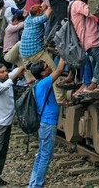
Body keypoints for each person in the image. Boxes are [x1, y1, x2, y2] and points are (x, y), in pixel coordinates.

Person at [27, 58, 66, 188]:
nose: (49, 66)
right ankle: (37, 185)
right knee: (45, 156)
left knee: (41, 155)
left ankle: (33, 183)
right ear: (43, 73)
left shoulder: (39, 83)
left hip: (44, 123)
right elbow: (59, 70)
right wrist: (63, 55)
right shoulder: (44, 83)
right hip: (48, 123)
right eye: (46, 66)